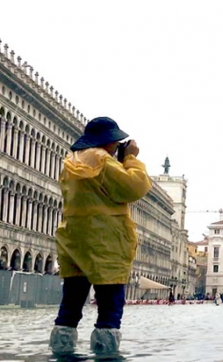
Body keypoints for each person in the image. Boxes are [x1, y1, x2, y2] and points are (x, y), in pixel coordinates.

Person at [49, 117, 152, 356]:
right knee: (109, 311)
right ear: (108, 142)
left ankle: (62, 356)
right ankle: (106, 357)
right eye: (116, 143)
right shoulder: (103, 161)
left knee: (69, 309)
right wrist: (131, 158)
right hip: (107, 245)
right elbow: (136, 186)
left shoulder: (69, 162)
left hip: (74, 242)